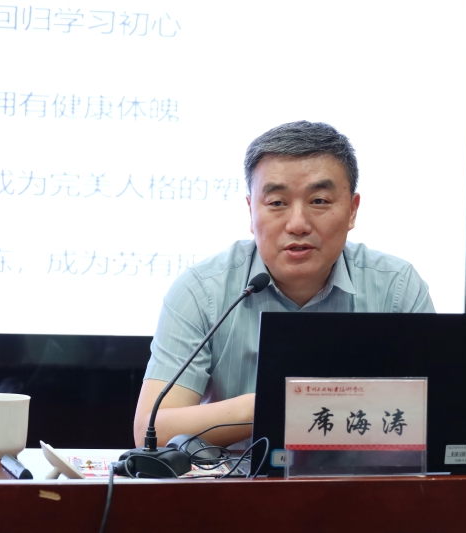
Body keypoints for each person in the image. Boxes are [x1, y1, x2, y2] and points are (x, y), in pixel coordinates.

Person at [133, 121, 434, 448]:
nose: (298, 224)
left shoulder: (397, 287)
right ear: (251, 211)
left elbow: (436, 413)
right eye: (277, 202)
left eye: (319, 201)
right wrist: (275, 403)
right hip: (235, 478)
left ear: (352, 210)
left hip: (365, 478)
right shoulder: (202, 290)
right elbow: (153, 430)